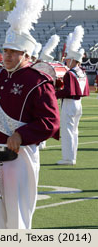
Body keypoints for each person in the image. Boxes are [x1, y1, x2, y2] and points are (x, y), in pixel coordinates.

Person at [0, 0, 60, 229]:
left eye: (13, 52)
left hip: (19, 154)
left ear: (26, 55)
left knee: (17, 215)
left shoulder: (38, 81)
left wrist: (22, 135)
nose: (6, 55)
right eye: (5, 50)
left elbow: (50, 121)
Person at [56, 26, 90, 165]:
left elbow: (67, 91)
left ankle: (68, 158)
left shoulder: (70, 73)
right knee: (74, 131)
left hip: (70, 103)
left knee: (68, 131)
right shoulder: (82, 72)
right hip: (78, 103)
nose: (66, 62)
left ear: (73, 60)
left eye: (68, 59)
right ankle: (72, 156)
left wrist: (54, 93)